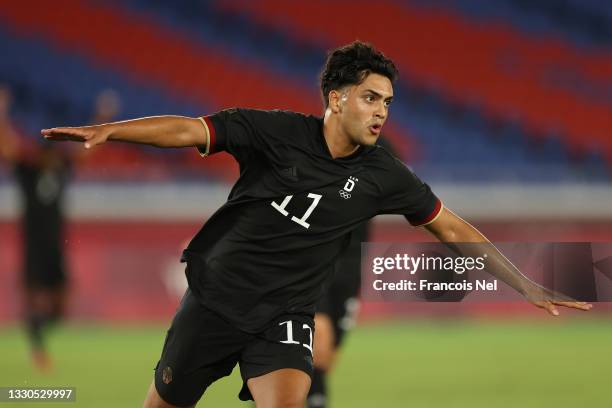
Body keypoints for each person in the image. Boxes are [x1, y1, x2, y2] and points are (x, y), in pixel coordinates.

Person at [41, 42, 592, 408]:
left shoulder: (384, 174)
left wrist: (526, 284)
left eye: (389, 102)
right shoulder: (274, 132)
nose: (382, 112)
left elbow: (452, 228)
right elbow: (188, 130)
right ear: (337, 98)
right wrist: (112, 131)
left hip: (285, 316)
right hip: (215, 301)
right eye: (371, 98)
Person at [308, 137, 397, 408]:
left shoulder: (383, 150)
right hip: (315, 266)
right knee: (316, 349)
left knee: (325, 361)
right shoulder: (318, 145)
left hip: (350, 274)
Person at [0, 85, 71, 371]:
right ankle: (37, 348)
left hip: (56, 245)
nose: (53, 159)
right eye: (49, 155)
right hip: (33, 244)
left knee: (61, 305)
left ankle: (38, 333)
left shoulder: (61, 171)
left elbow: (85, 155)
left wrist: (102, 117)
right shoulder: (28, 172)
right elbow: (8, 147)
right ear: (42, 155)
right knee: (33, 297)